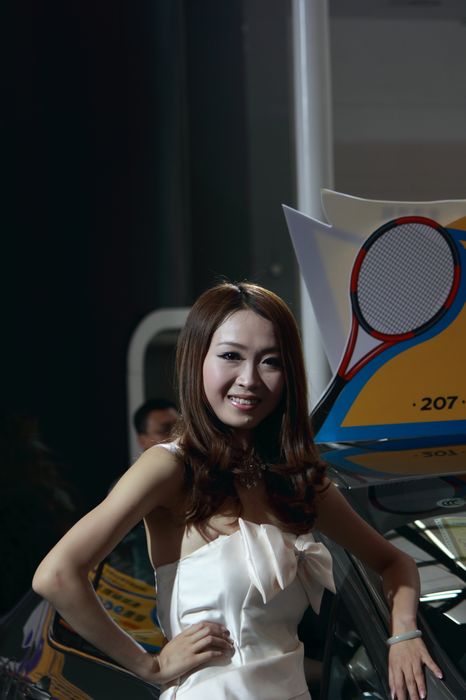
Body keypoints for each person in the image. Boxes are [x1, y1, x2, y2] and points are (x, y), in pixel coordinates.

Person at [33, 282, 442, 700]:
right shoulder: (171, 467)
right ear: (197, 360)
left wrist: (403, 634)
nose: (249, 380)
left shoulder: (296, 480)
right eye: (231, 356)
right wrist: (149, 665)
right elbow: (57, 575)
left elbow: (394, 562)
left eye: (271, 361)